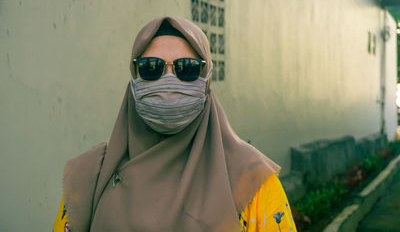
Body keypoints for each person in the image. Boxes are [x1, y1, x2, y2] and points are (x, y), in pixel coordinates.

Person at [53, 16, 297, 232]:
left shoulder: (252, 184)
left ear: (206, 80)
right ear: (134, 77)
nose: (169, 81)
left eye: (187, 69)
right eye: (151, 68)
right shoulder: (89, 180)